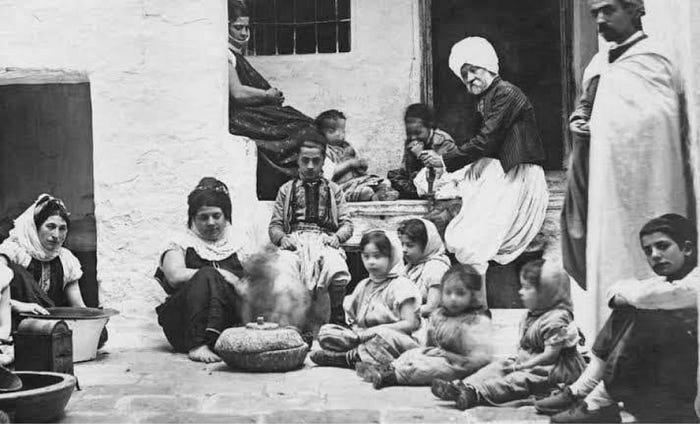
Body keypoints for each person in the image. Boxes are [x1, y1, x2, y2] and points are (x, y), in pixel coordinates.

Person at [563, 0, 694, 333]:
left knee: (653, 259)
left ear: (635, 10)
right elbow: (588, 104)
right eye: (595, 13)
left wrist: (615, 128)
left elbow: (663, 122)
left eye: (609, 10)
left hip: (651, 185)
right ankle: (606, 345)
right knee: (610, 262)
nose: (600, 19)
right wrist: (581, 120)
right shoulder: (599, 63)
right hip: (606, 188)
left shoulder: (657, 60)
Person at [536, 214, 699, 423]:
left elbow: (640, 296)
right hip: (666, 372)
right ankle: (584, 389)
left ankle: (599, 401)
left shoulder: (694, 283)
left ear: (687, 248)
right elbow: (617, 291)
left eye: (662, 246)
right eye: (648, 251)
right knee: (630, 310)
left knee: (647, 315)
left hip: (687, 378)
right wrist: (628, 296)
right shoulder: (665, 283)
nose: (655, 255)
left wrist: (628, 296)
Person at [418, 37, 548, 285]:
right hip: (501, 167)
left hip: (519, 171)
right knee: (461, 197)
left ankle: (478, 295)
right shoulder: (487, 98)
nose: (469, 78)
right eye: (464, 74)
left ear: (488, 66)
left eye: (474, 70)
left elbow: (488, 138)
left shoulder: (507, 93)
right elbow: (488, 142)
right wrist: (479, 160)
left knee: (477, 235)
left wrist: (444, 160)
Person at [431, 259, 585, 410]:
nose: (520, 292)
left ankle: (477, 393)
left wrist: (524, 366)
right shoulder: (533, 314)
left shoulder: (556, 319)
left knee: (517, 380)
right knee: (498, 367)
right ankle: (463, 386)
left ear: (546, 292)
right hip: (529, 361)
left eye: (526, 288)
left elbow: (550, 356)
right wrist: (517, 362)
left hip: (553, 369)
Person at [227, 0, 315, 200]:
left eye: (246, 27)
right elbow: (238, 93)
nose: (244, 33)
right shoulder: (226, 55)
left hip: (254, 112)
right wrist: (267, 95)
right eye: (238, 27)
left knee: (304, 123)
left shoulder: (237, 54)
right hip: (243, 116)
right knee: (301, 129)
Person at [268, 127, 353, 333]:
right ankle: (293, 324)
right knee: (284, 269)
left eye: (316, 161)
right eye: (305, 160)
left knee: (336, 267)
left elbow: (347, 223)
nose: (310, 166)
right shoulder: (286, 190)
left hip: (324, 241)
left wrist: (337, 238)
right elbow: (275, 225)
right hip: (295, 242)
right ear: (297, 160)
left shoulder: (334, 190)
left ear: (324, 161)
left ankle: (336, 317)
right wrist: (282, 239)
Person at [155, 178, 249, 363]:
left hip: (226, 327)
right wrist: (223, 274)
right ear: (193, 218)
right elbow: (174, 276)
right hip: (183, 327)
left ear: (226, 216)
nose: (211, 222)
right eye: (203, 217)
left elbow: (252, 284)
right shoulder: (180, 242)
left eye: (216, 216)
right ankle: (198, 345)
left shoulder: (239, 243)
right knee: (207, 274)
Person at [356, 264, 493, 389]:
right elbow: (430, 345)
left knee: (430, 368)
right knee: (412, 354)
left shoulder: (476, 322)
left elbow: (481, 360)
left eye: (460, 293)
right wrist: (429, 351)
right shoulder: (439, 315)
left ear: (472, 296)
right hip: (440, 356)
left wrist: (449, 356)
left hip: (460, 366)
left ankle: (394, 376)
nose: (453, 298)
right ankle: (389, 367)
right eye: (448, 293)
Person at [310, 230, 421, 368]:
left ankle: (348, 358)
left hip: (396, 339)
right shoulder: (364, 286)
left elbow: (411, 323)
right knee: (327, 332)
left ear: (392, 256)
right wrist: (356, 332)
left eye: (377, 256)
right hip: (365, 337)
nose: (371, 262)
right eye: (366, 257)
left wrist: (377, 330)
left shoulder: (401, 285)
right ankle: (357, 354)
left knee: (383, 336)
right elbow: (355, 321)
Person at [315, 110, 396, 202]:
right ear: (329, 132)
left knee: (385, 182)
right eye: (341, 132)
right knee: (366, 191)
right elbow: (329, 174)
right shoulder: (324, 151)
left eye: (344, 131)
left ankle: (379, 194)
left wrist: (361, 164)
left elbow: (358, 166)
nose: (343, 135)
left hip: (357, 181)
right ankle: (371, 195)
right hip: (340, 185)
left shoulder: (346, 147)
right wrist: (349, 164)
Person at [387, 104, 458, 200]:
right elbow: (405, 170)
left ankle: (415, 193)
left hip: (437, 181)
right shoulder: (410, 141)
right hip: (415, 180)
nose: (413, 137)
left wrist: (420, 154)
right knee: (392, 175)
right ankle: (414, 192)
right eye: (409, 133)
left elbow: (440, 173)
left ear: (429, 127)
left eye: (418, 132)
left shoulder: (443, 141)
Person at [397, 219, 451, 318]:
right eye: (402, 244)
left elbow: (431, 308)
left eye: (410, 245)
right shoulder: (411, 267)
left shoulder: (436, 268)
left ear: (426, 245)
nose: (404, 250)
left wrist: (398, 314)